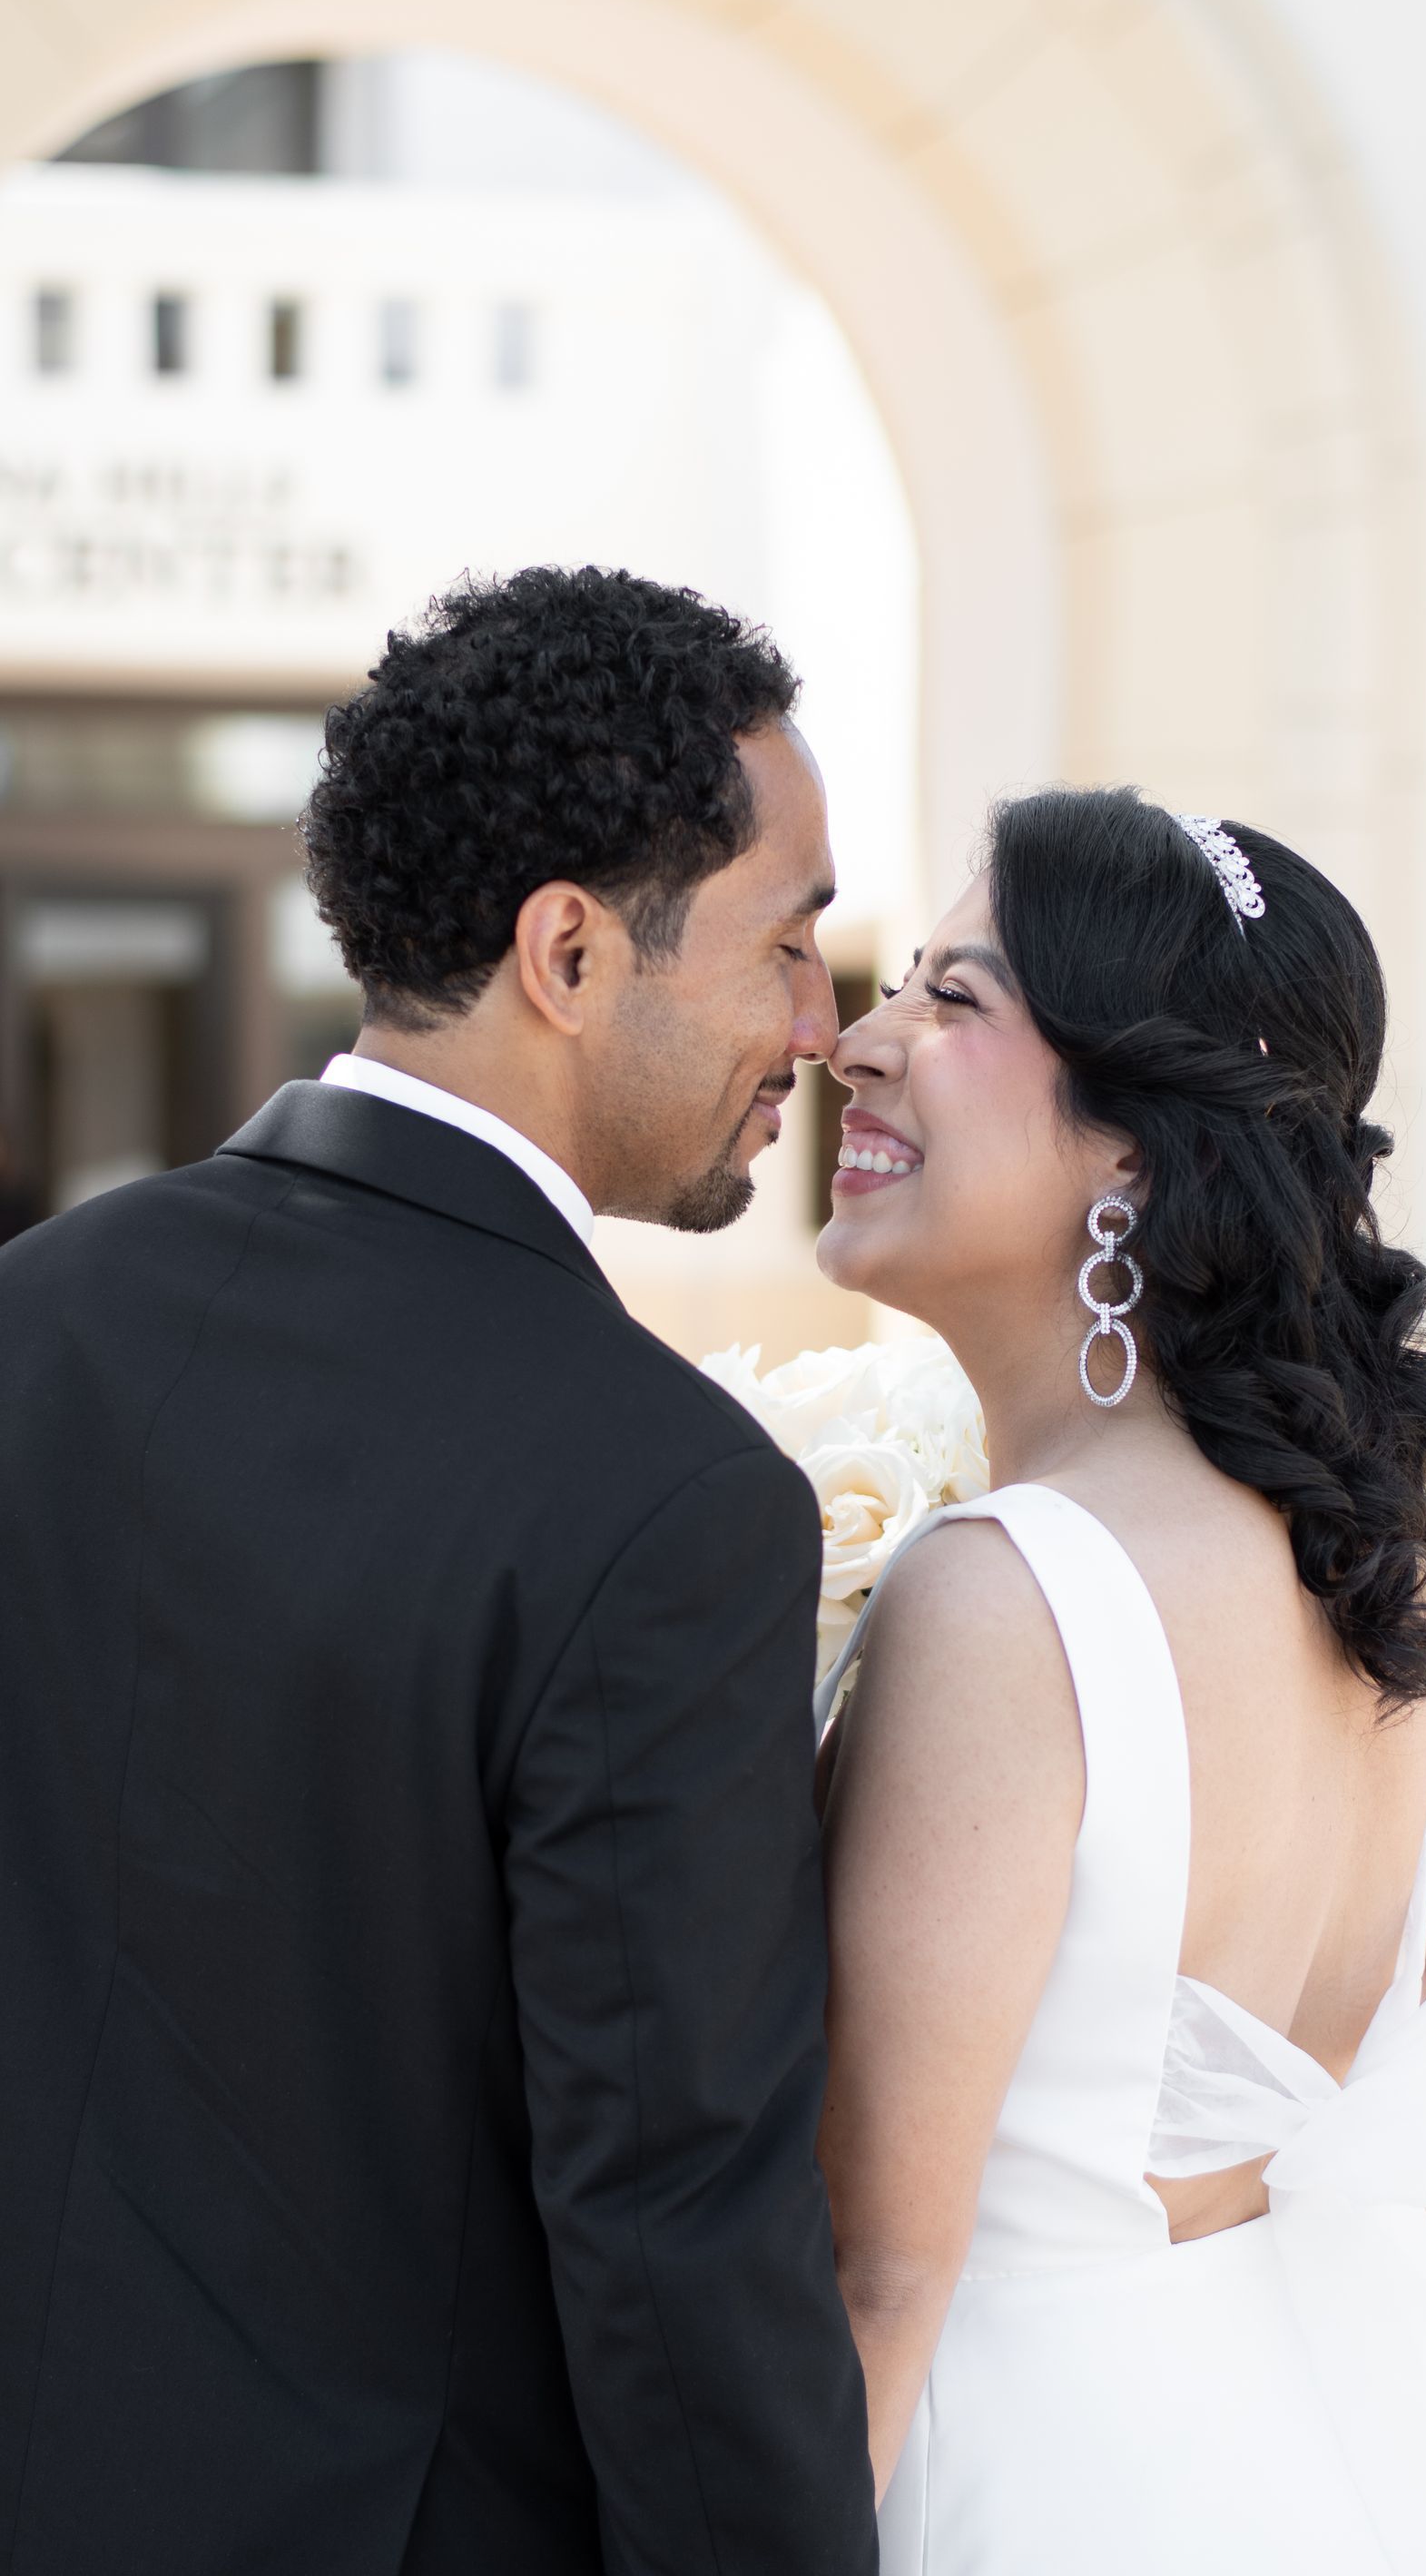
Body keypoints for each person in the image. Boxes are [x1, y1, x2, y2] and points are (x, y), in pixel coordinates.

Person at [0, 567, 878, 2576]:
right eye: (792, 941)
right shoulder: (665, 1501)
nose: (824, 1029)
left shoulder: (26, 1327)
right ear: (567, 949)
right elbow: (676, 2233)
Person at [813, 787, 1426, 2573]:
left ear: (1133, 1143)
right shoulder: (1381, 1563)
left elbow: (882, 2264)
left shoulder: (1007, 1594)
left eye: (953, 1000)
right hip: (1287, 2429)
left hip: (1012, 2466)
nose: (858, 1044)